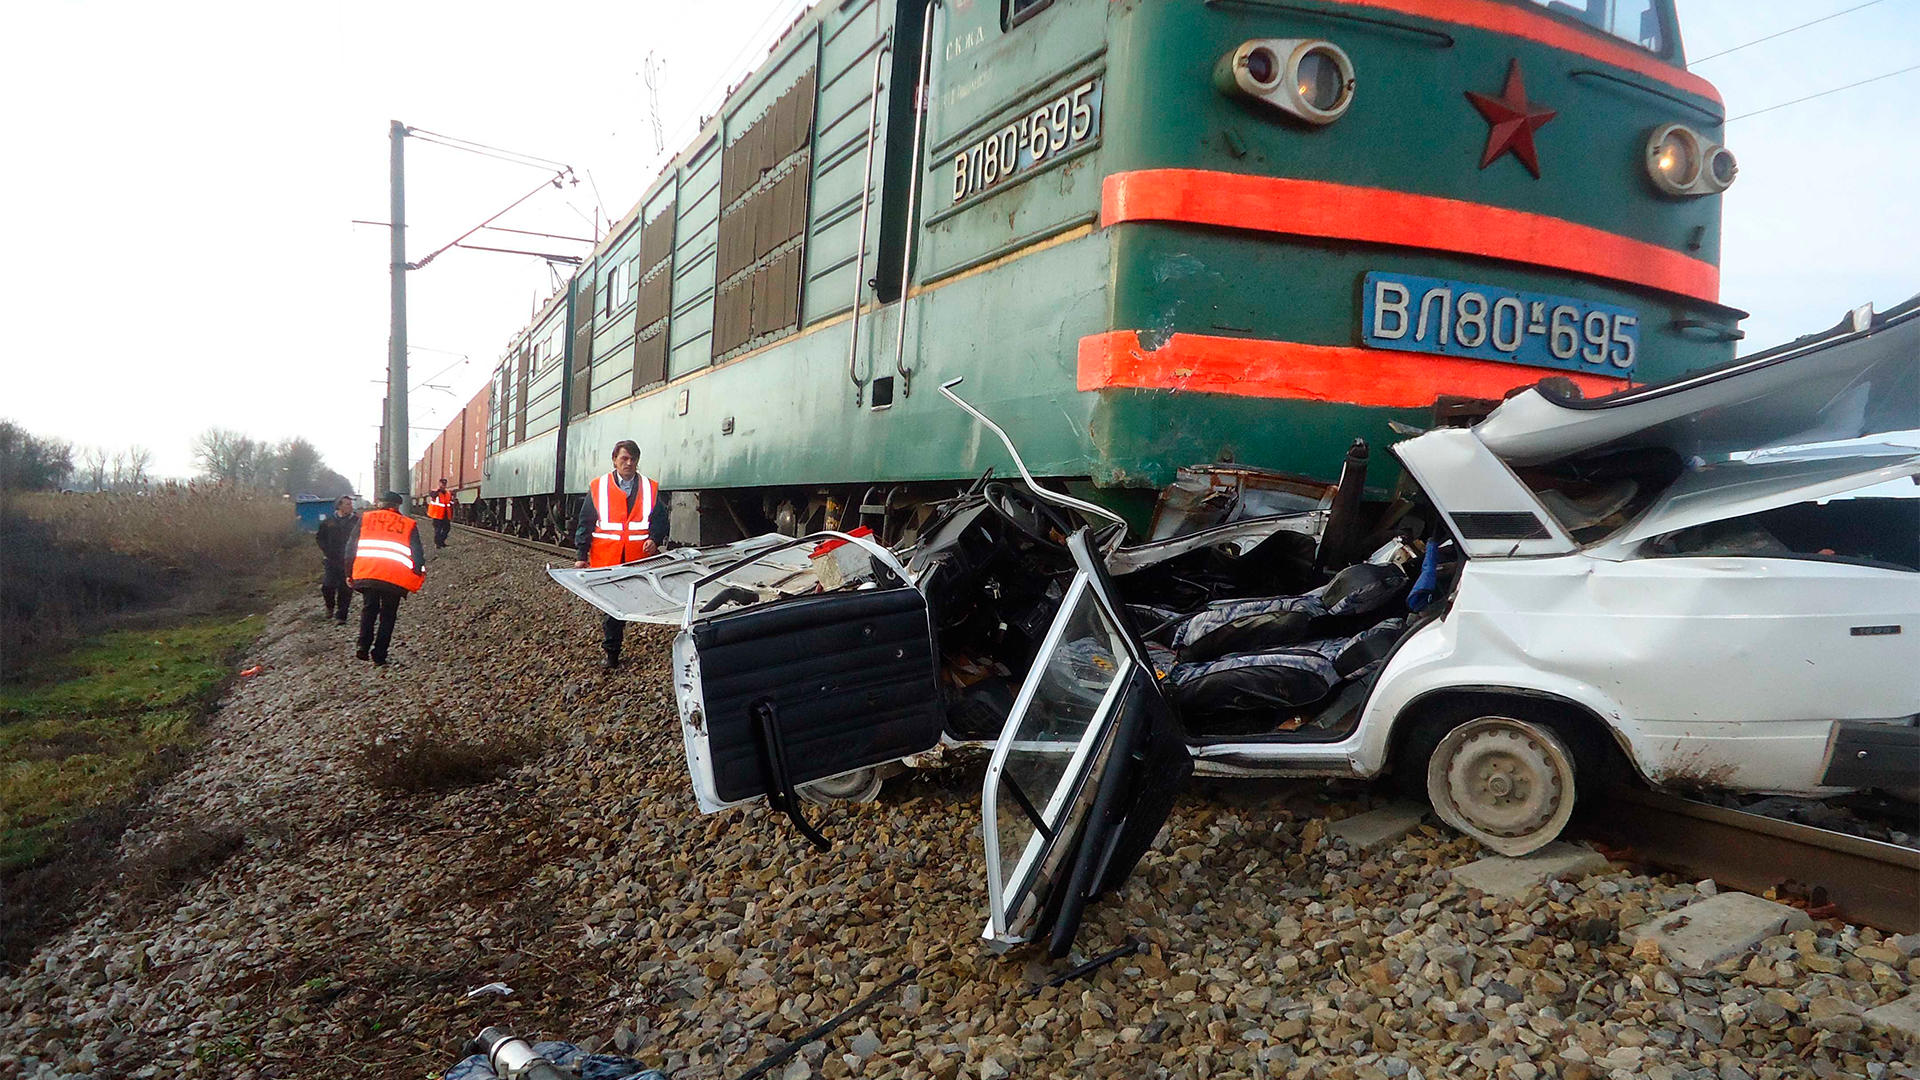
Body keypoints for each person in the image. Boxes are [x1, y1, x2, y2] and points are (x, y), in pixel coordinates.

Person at [573, 440, 669, 668]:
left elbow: (661, 520)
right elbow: (585, 522)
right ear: (614, 460)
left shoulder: (649, 487)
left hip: (637, 559)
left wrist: (654, 539)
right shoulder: (599, 487)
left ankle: (622, 646)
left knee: (638, 604)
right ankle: (612, 653)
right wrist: (581, 554)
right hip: (607, 559)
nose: (628, 463)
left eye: (633, 459)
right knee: (612, 609)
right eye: (624, 458)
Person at [347, 491, 426, 666]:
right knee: (388, 616)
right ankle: (380, 654)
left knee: (369, 609)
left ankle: (363, 646)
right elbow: (417, 553)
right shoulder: (408, 524)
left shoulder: (366, 519)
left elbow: (351, 548)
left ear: (380, 503)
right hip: (395, 578)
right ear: (397, 505)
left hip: (369, 573)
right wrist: (418, 573)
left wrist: (348, 573)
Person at [314, 495, 357, 624]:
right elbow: (320, 538)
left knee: (345, 588)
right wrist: (326, 550)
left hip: (349, 559)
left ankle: (341, 616)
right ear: (339, 506)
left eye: (350, 504)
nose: (350, 507)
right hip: (331, 559)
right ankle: (330, 606)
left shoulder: (356, 521)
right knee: (327, 586)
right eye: (347, 504)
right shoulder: (328, 522)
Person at [427, 479, 453, 548]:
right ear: (439, 484)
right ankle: (438, 544)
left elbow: (448, 503)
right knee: (438, 530)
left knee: (447, 529)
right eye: (442, 484)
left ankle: (441, 542)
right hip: (437, 514)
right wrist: (438, 490)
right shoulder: (435, 492)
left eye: (445, 484)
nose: (443, 485)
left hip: (445, 515)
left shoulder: (447, 493)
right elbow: (432, 495)